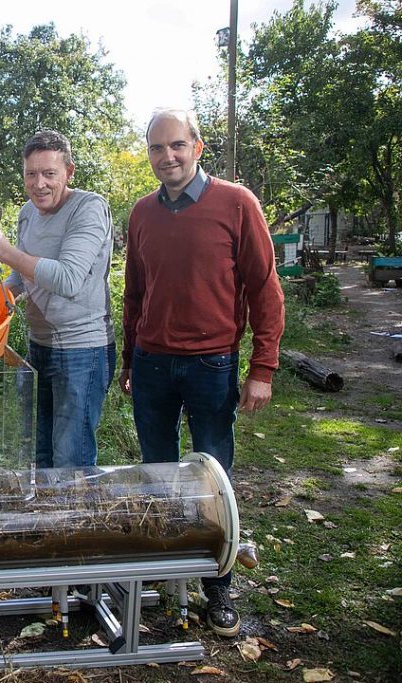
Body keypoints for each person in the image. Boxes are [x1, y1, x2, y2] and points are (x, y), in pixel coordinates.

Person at [120, 108, 285, 637]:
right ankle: (166, 575)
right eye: (156, 148)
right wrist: (129, 361)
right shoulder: (142, 213)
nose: (166, 156)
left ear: (198, 146)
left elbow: (264, 288)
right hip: (151, 364)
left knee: (214, 480)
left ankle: (219, 585)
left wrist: (263, 366)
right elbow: (134, 295)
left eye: (176, 145)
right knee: (158, 475)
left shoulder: (237, 204)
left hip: (211, 364)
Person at [0, 130, 115, 469]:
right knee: (38, 451)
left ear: (69, 172)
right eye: (31, 174)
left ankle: (75, 518)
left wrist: (6, 252)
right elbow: (20, 277)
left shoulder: (89, 208)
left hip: (82, 351)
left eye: (49, 174)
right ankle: (46, 519)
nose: (39, 183)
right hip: (39, 345)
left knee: (71, 458)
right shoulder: (28, 212)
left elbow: (68, 279)